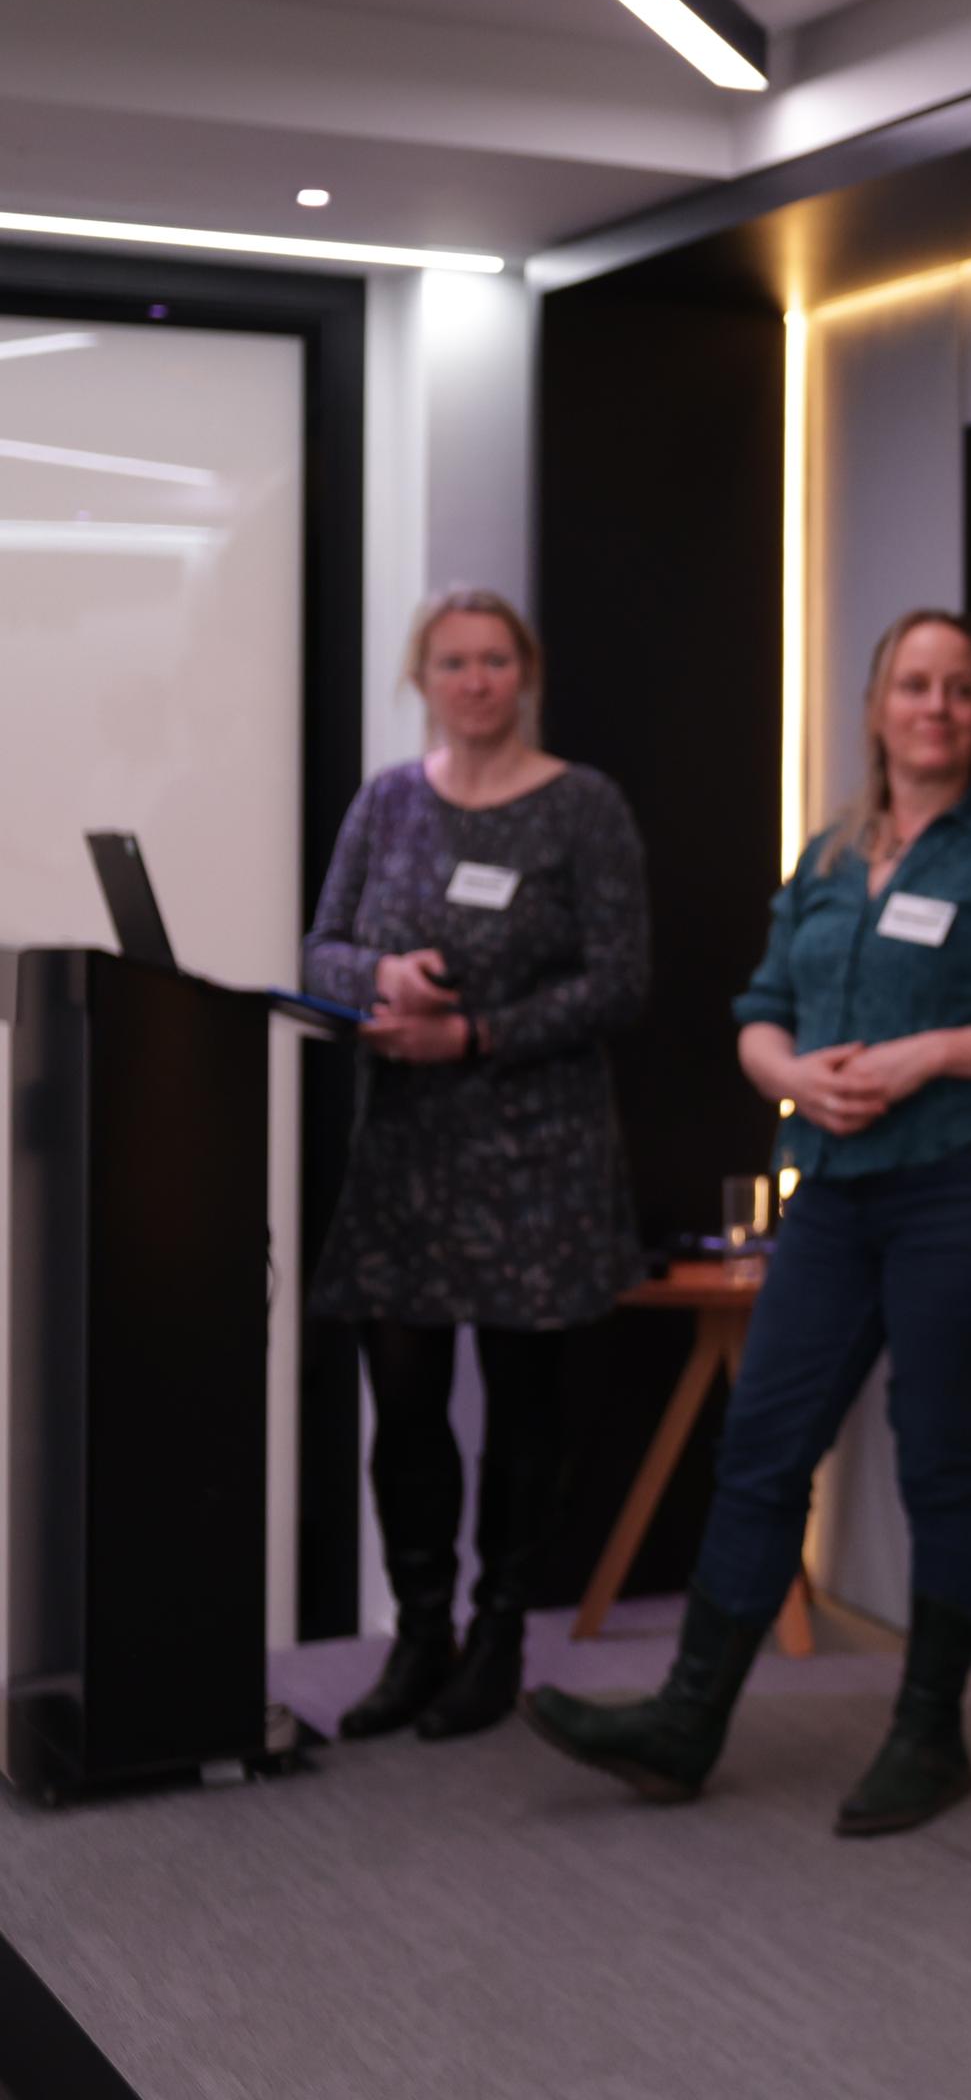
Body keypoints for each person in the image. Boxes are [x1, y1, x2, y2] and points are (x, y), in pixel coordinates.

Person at [527, 607, 971, 1837]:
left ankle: (931, 1730)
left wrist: (933, 1054)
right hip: (837, 1195)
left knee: (943, 1449)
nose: (937, 707)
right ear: (877, 706)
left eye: (960, 689)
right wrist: (794, 1076)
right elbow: (760, 1016)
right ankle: (686, 1720)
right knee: (760, 1444)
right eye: (916, 684)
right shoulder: (832, 856)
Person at [303, 587, 651, 1743]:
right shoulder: (388, 803)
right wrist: (383, 980)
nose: (475, 680)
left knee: (522, 1405)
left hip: (535, 1153)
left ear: (526, 672)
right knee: (403, 1401)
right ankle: (419, 1632)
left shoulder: (583, 807)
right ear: (423, 676)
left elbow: (621, 979)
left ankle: (499, 1633)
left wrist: (479, 1033)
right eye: (452, 661)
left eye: (495, 659)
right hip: (407, 1152)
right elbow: (322, 947)